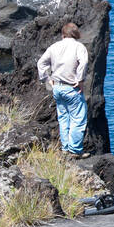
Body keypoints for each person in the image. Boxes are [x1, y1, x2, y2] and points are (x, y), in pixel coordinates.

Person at [37, 22, 89, 157]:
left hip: (57, 87)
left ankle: (65, 148)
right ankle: (75, 150)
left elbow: (40, 63)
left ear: (63, 34)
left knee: (63, 117)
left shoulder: (54, 47)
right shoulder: (79, 47)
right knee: (78, 119)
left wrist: (46, 79)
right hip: (72, 88)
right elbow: (83, 63)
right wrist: (80, 79)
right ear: (76, 34)